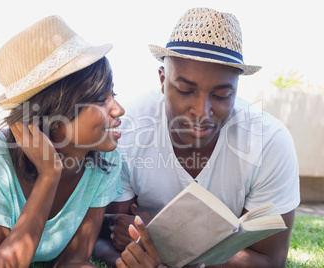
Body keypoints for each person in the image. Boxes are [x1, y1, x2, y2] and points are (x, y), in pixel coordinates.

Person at [93, 7, 300, 268]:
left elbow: (271, 260)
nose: (202, 112)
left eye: (222, 95)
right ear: (162, 80)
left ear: (236, 90)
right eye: (185, 90)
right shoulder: (129, 128)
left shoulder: (269, 143)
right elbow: (107, 236)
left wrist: (168, 252)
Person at [0, 15, 125, 267]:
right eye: (100, 99)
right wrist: (50, 173)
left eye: (113, 94)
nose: (119, 109)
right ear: (55, 111)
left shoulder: (105, 162)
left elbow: (74, 259)